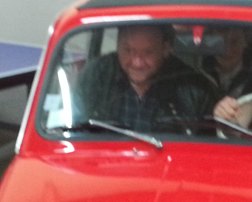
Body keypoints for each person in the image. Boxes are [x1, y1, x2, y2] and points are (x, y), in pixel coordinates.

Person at [77, 25, 218, 133]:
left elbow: (204, 150)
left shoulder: (194, 88)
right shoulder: (97, 75)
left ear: (166, 49)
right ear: (117, 46)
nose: (137, 63)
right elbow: (76, 127)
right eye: (128, 51)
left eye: (147, 52)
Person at [200, 26, 252, 96]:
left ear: (246, 43)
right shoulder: (195, 69)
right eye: (221, 42)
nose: (227, 51)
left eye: (234, 42)